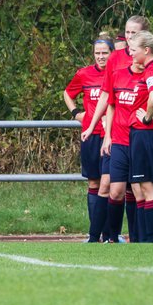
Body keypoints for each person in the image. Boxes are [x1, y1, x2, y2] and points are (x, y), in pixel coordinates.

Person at [86, 31, 153, 242]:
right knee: (127, 189)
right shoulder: (128, 71)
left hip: (145, 135)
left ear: (146, 50)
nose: (130, 53)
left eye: (133, 48)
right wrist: (105, 132)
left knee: (146, 189)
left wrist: (148, 116)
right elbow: (111, 102)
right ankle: (114, 237)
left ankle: (149, 240)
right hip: (129, 137)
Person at [64, 36, 114, 242]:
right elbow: (67, 93)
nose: (101, 57)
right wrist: (77, 113)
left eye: (105, 53)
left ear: (112, 53)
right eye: (98, 53)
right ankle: (95, 234)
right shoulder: (84, 74)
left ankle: (111, 233)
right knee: (93, 183)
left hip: (111, 136)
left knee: (111, 184)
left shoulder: (117, 73)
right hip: (90, 136)